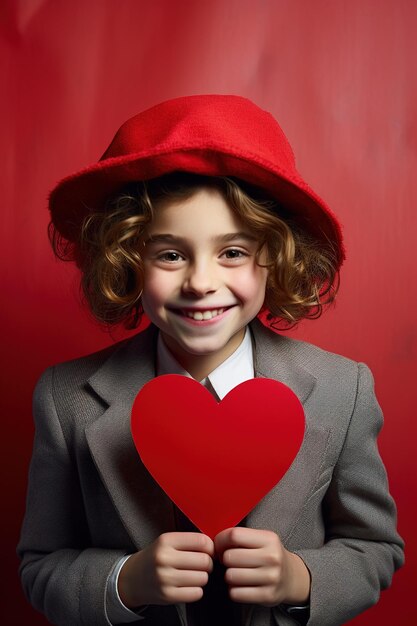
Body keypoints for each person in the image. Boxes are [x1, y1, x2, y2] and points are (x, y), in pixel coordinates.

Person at [18, 95, 404, 626]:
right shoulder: (66, 398)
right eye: (171, 253)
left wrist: (301, 578)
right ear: (127, 259)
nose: (201, 282)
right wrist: (126, 580)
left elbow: (376, 548)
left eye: (233, 252)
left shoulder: (343, 390)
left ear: (277, 257)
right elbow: (41, 565)